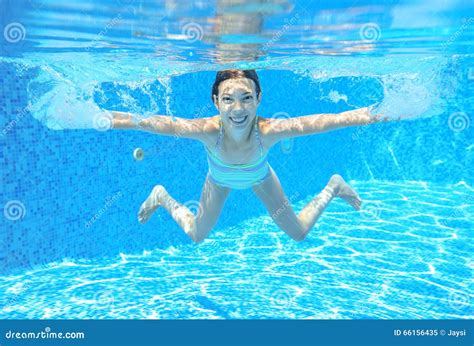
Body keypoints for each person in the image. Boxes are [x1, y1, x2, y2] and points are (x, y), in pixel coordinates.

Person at [111, 69, 388, 243]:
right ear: (215, 102)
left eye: (246, 98)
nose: (238, 109)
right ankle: (161, 196)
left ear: (258, 99)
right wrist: (106, 119)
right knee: (196, 234)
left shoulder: (266, 131)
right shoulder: (209, 131)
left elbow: (326, 121)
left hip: (260, 178)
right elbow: (155, 122)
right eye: (228, 99)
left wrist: (372, 115)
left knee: (299, 233)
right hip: (218, 181)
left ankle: (333, 187)